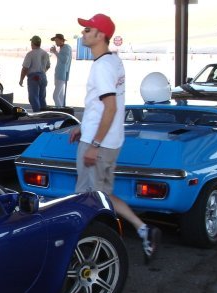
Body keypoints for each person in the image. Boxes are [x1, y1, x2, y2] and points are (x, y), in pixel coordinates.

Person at [68, 13, 161, 263]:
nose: (83, 34)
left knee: (86, 198)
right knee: (103, 194)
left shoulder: (101, 67)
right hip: (110, 140)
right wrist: (83, 128)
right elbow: (103, 105)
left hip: (100, 143)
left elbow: (109, 108)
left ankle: (88, 249)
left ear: (101, 35)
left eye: (88, 30)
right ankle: (143, 229)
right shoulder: (113, 62)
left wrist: (93, 144)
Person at [19, 35, 50, 112]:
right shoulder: (45, 53)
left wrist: (21, 79)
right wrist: (42, 73)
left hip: (34, 77)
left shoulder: (30, 54)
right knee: (42, 98)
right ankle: (44, 115)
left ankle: (38, 116)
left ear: (32, 43)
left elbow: (25, 68)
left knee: (33, 98)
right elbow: (48, 66)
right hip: (43, 76)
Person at [49, 33, 72, 107]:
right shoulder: (63, 48)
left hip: (61, 74)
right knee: (60, 96)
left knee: (55, 96)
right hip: (60, 74)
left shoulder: (66, 47)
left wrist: (55, 52)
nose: (55, 42)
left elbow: (65, 60)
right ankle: (61, 109)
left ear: (61, 40)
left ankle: (59, 110)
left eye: (56, 40)